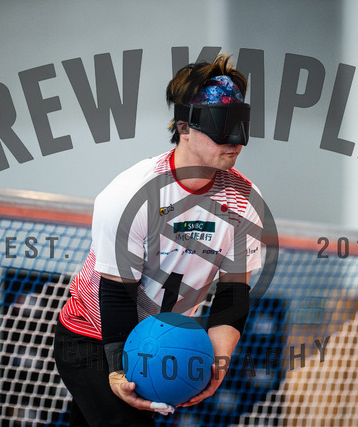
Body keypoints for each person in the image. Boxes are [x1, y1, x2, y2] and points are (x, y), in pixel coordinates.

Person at [54, 54, 264, 426]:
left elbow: (233, 293)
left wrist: (216, 364)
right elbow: (116, 291)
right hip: (92, 337)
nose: (235, 141)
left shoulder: (244, 203)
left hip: (162, 343)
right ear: (185, 126)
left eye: (240, 125)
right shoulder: (133, 193)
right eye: (221, 125)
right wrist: (119, 370)